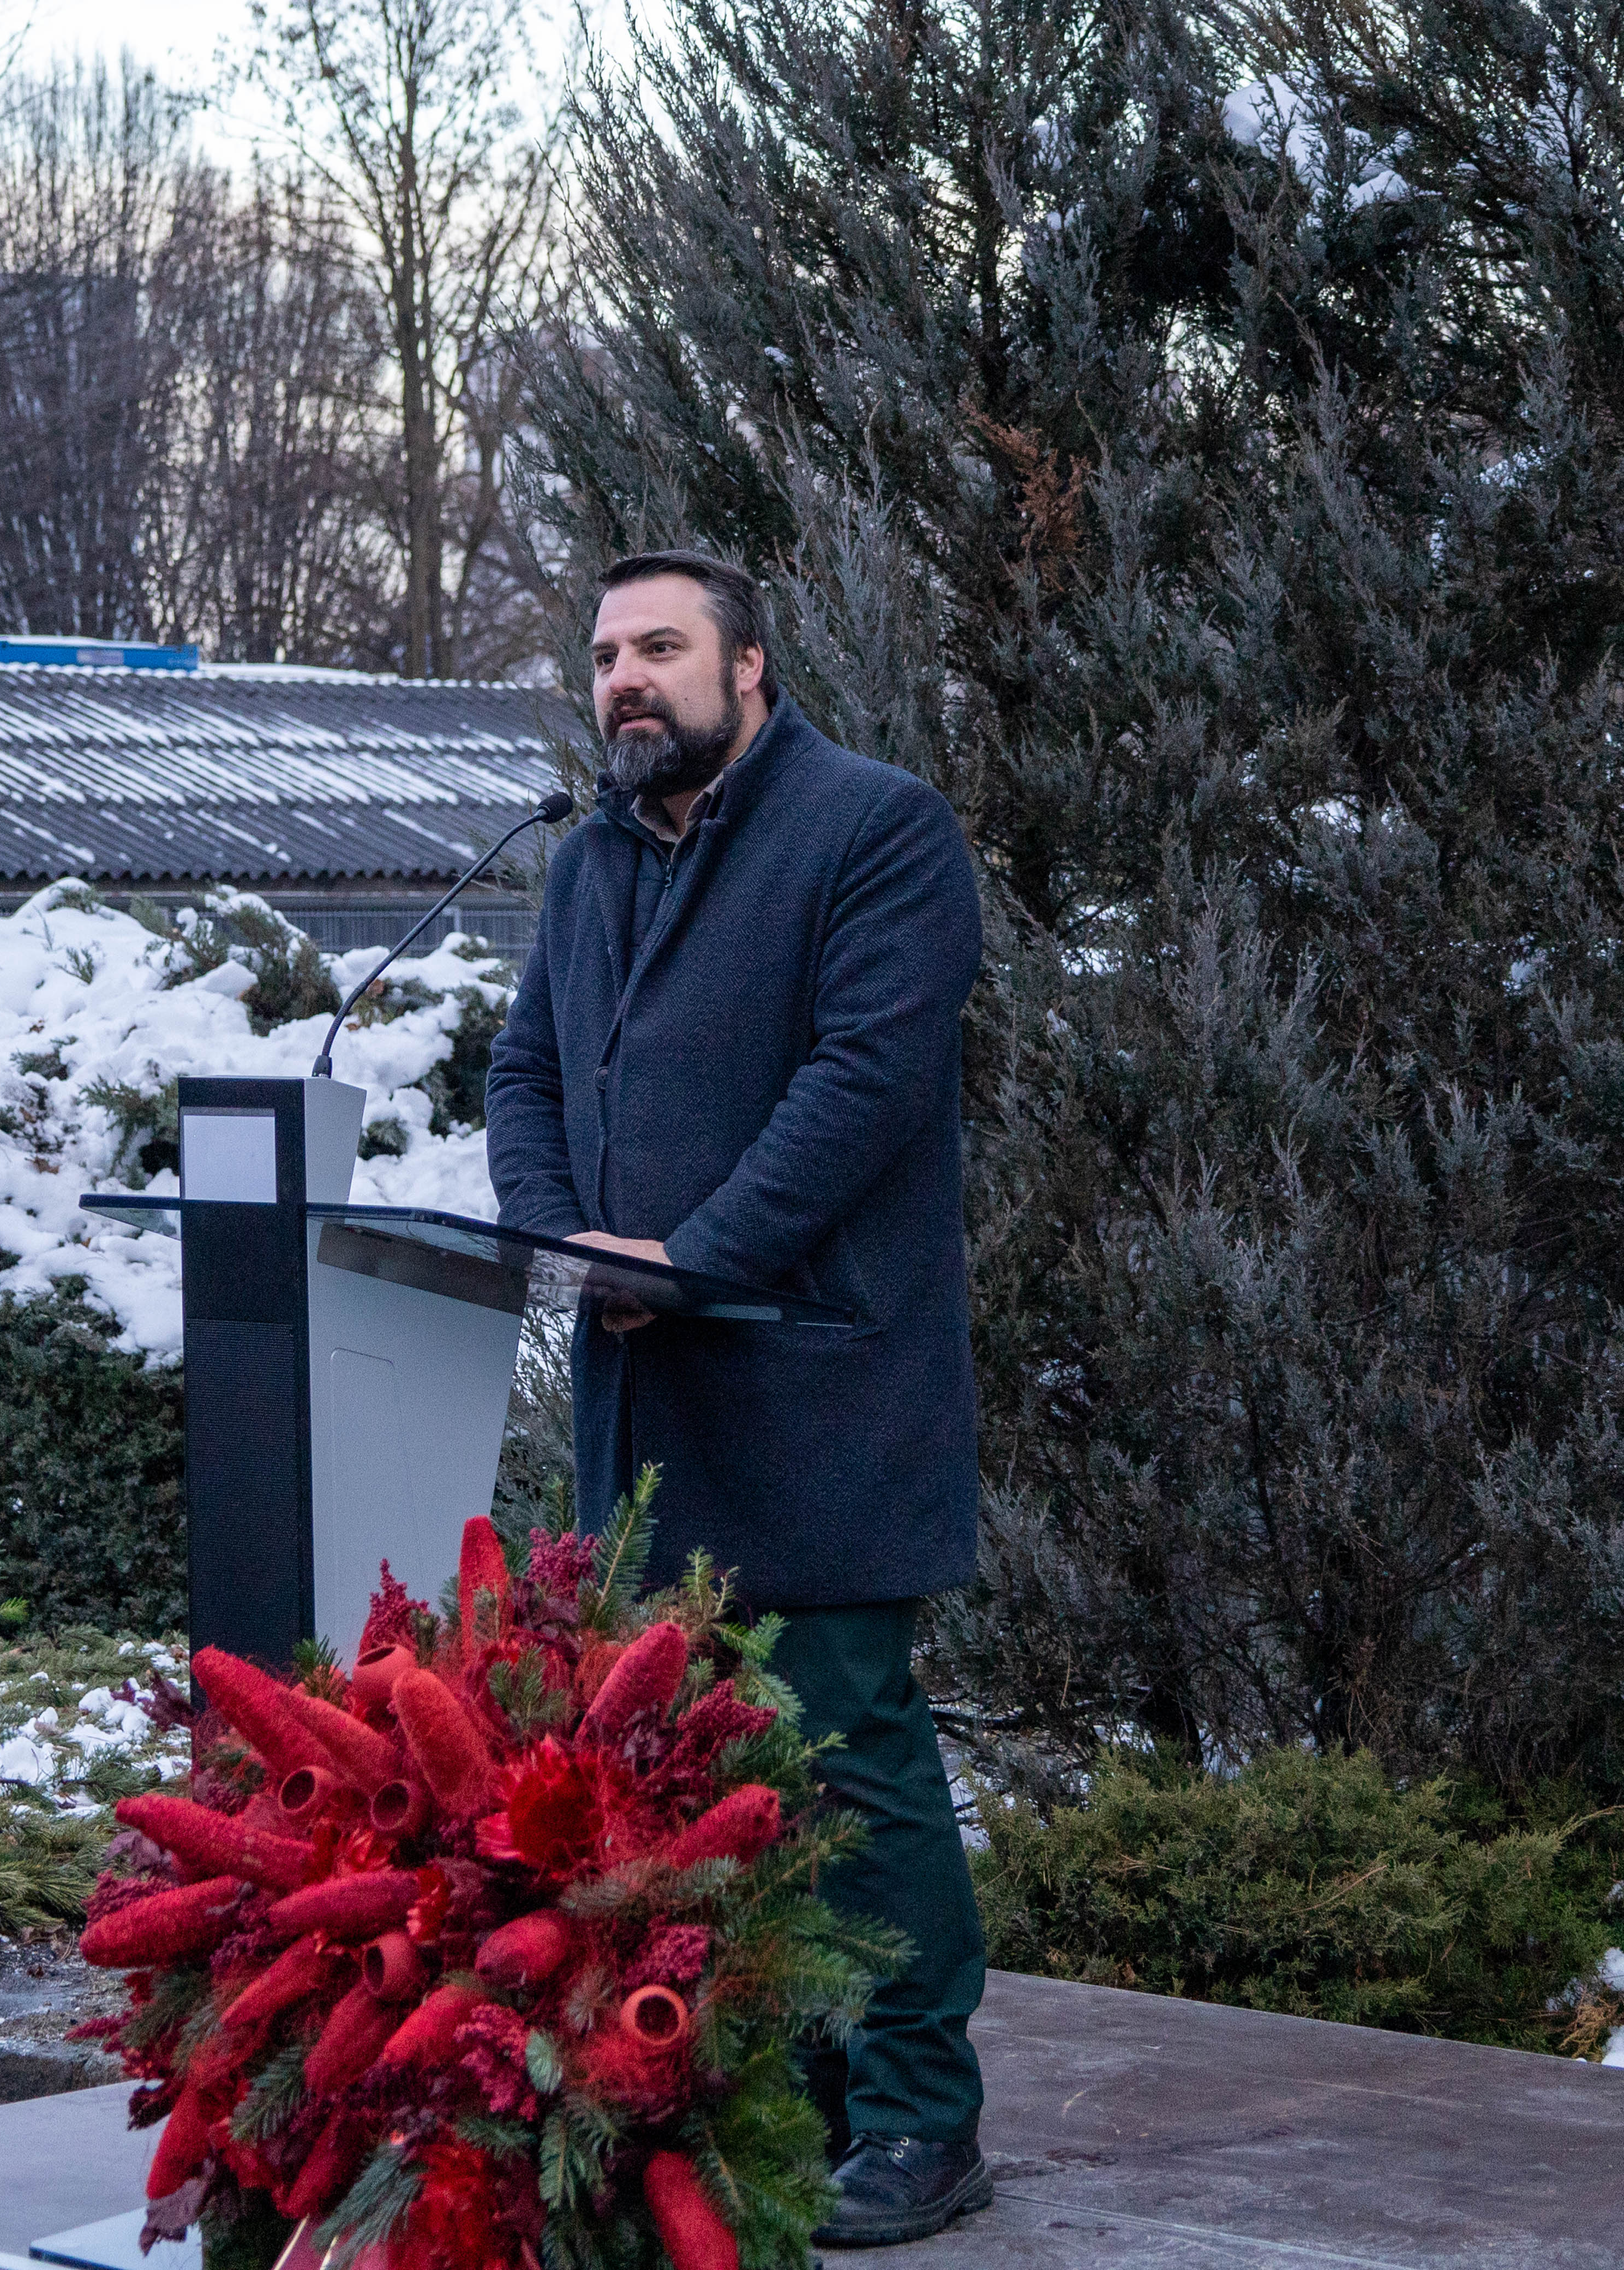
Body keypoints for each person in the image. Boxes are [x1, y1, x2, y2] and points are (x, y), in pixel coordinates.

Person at [482, 549, 993, 2246]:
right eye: (609, 652)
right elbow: (525, 1069)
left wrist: (689, 1254)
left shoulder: (876, 833)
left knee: (848, 1758)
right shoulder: (589, 865)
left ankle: (921, 2116)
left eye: (663, 647)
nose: (627, 677)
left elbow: (867, 1085)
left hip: (820, 1389)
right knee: (695, 1781)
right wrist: (557, 1232)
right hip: (647, 1405)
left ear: (752, 667)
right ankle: (788, 2104)